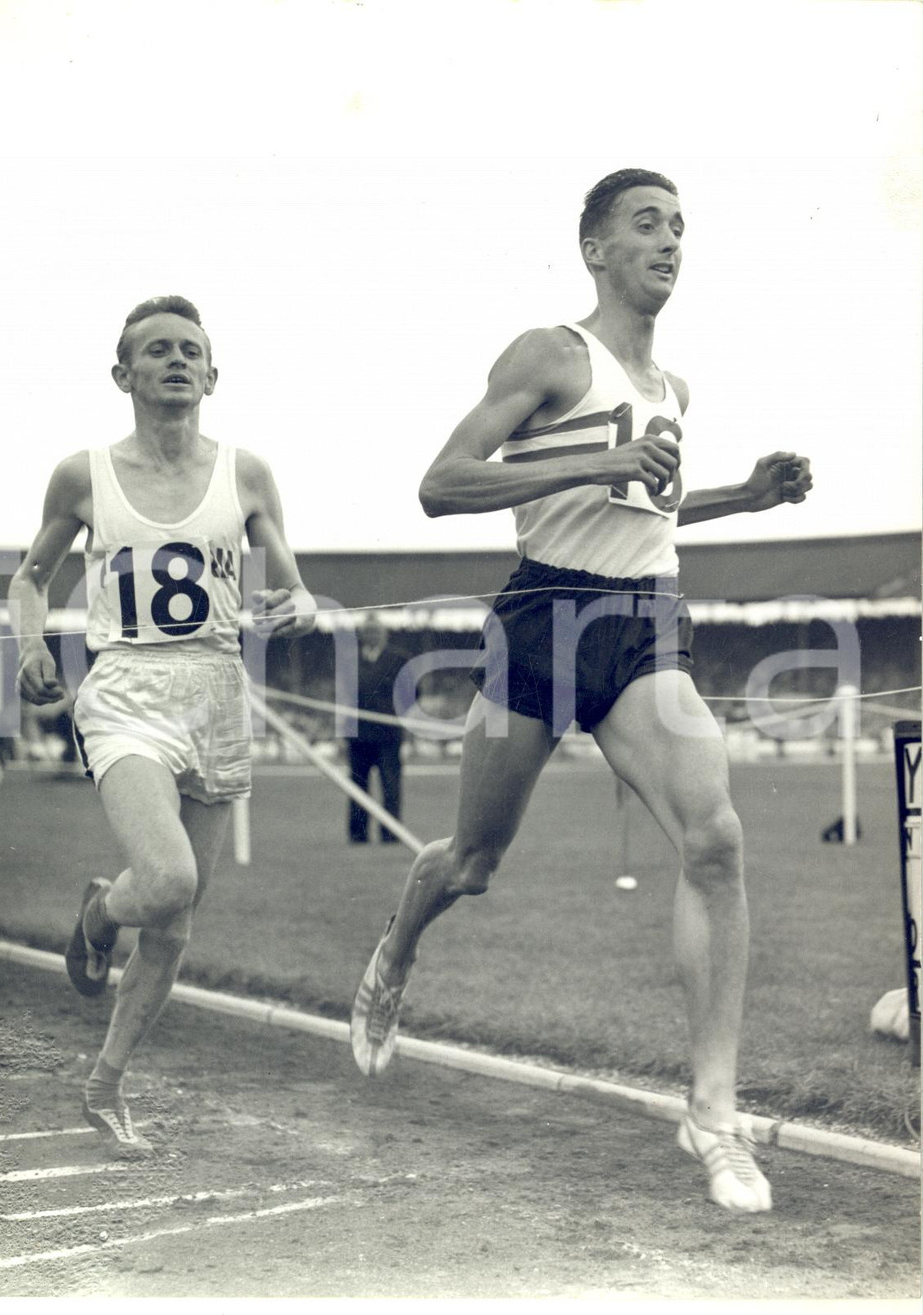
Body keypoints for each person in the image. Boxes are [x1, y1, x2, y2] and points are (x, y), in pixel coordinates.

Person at [350, 170, 813, 1213]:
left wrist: (748, 493)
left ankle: (713, 1114)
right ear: (594, 247)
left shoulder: (674, 390)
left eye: (680, 226)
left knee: (716, 839)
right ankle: (392, 954)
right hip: (544, 614)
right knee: (471, 861)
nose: (670, 240)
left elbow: (648, 513)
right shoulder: (551, 354)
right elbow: (442, 484)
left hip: (644, 619)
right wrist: (585, 462)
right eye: (646, 224)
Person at [11, 295, 315, 1156]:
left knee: (178, 922)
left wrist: (294, 606)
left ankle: (105, 1084)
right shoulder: (85, 476)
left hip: (217, 691)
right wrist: (32, 645)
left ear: (213, 375)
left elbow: (292, 583)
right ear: (124, 374)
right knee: (169, 878)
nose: (177, 360)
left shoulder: (246, 473)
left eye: (192, 350)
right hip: (126, 689)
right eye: (158, 351)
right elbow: (30, 579)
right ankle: (101, 915)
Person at [342, 612, 406, 843]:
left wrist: (396, 715)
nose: (371, 636)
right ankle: (358, 835)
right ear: (360, 635)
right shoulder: (350, 660)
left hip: (388, 735)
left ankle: (391, 834)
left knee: (391, 786)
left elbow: (412, 693)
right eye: (367, 632)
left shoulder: (398, 660)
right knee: (358, 787)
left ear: (385, 635)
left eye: (376, 631)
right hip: (358, 736)